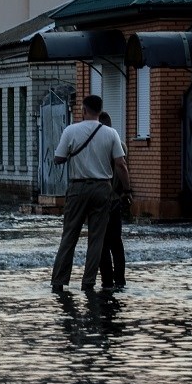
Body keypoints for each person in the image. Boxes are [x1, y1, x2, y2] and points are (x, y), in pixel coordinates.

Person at [51, 95, 131, 293]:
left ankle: (59, 282)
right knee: (97, 238)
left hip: (77, 188)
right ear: (100, 110)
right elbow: (121, 165)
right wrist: (127, 190)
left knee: (69, 235)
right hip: (103, 189)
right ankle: (88, 283)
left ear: (83, 110)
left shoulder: (71, 131)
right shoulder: (111, 133)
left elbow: (58, 159)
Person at [97, 111, 129, 290]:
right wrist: (127, 191)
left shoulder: (96, 146)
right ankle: (120, 280)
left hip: (100, 200)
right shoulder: (121, 145)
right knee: (116, 242)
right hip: (116, 198)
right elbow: (122, 168)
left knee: (102, 242)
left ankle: (106, 281)